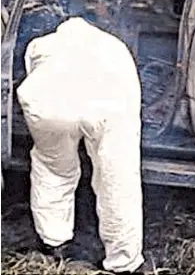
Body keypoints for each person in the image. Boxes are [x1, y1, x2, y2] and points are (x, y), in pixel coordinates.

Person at [16, 16, 149, 274]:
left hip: (49, 104)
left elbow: (33, 73)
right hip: (107, 105)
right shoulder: (115, 47)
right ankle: (124, 261)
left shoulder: (40, 45)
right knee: (116, 178)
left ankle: (54, 243)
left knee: (53, 169)